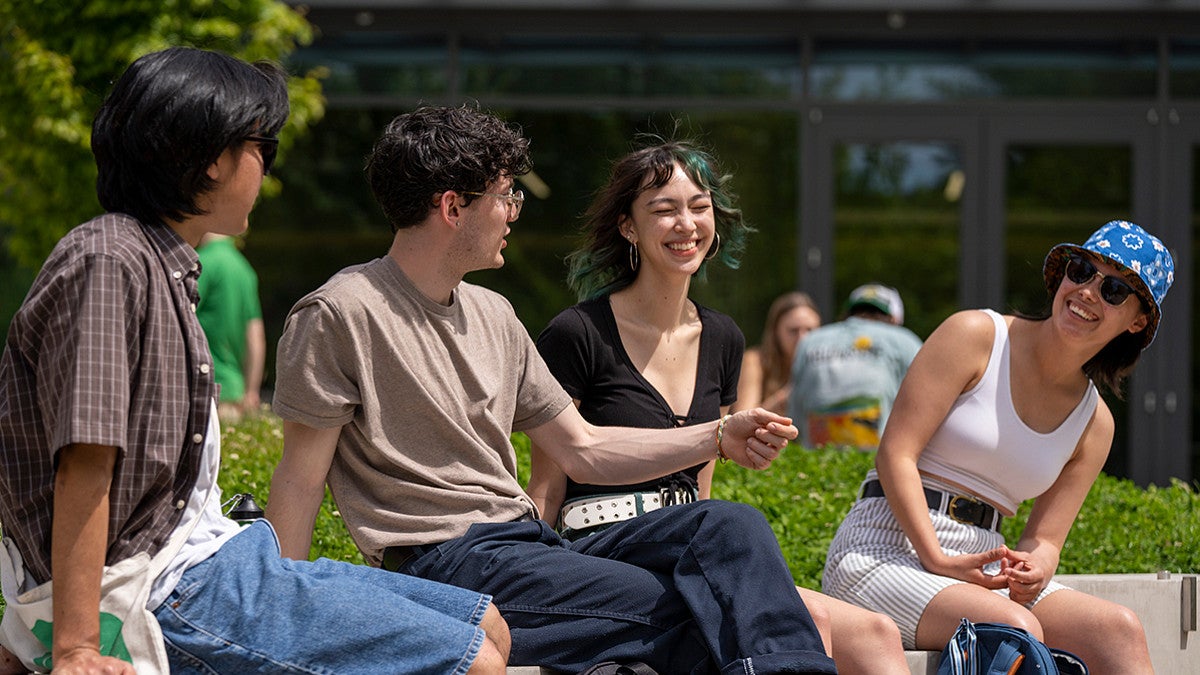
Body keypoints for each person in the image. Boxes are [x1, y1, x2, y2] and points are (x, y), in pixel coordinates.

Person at [268, 106, 837, 674]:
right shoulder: (338, 313)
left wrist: (716, 436)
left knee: (729, 525)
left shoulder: (494, 313)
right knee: (686, 609)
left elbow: (582, 447)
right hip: (445, 564)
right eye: (506, 197)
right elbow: (300, 477)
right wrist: (276, 623)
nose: (513, 214)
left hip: (532, 548)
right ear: (452, 207)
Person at [0, 47, 509, 675]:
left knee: (485, 625)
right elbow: (84, 463)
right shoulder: (111, 263)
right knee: (475, 663)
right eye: (261, 147)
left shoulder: (166, 265)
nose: (266, 169)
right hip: (163, 588)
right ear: (212, 158)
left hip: (217, 558)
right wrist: (76, 647)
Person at [527, 140, 908, 675]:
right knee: (780, 592)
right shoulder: (577, 333)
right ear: (628, 227)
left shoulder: (724, 338)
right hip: (600, 549)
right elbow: (548, 480)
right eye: (664, 209)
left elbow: (700, 493)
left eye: (699, 206)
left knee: (874, 633)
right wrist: (534, 583)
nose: (686, 223)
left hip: (695, 547)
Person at [822, 220, 1169, 674]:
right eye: (1082, 270)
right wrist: (936, 556)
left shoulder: (1095, 423)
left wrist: (1037, 567)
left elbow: (1044, 539)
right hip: (882, 546)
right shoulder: (975, 335)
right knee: (1013, 626)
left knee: (1118, 630)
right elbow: (895, 454)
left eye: (1115, 291)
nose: (1087, 292)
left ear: (1138, 321)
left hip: (981, 564)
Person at [788, 283, 923, 450]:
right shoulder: (904, 340)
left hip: (817, 460)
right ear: (894, 319)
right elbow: (924, 407)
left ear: (848, 313)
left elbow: (795, 414)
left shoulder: (810, 341)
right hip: (876, 463)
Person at [196, 232, 266, 422]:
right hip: (235, 393)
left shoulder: (201, 263)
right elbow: (255, 335)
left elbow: (178, 318)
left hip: (203, 390)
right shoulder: (243, 268)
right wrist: (251, 391)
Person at [734, 291, 822, 415]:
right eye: (793, 331)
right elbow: (742, 417)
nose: (802, 338)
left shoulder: (824, 364)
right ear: (775, 332)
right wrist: (784, 399)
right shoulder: (755, 360)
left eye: (810, 330)